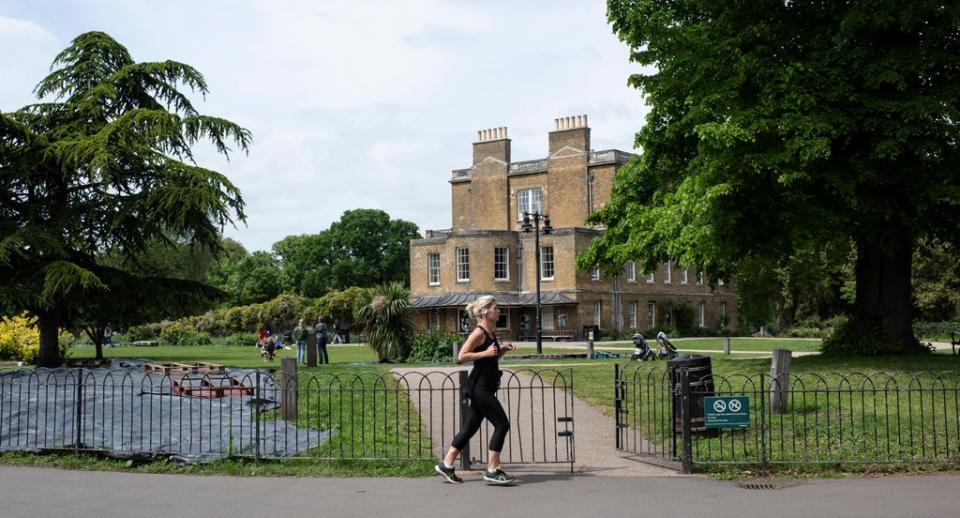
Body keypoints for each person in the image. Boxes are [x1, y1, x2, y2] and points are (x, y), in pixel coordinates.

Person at [435, 295, 518, 485]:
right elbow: (461, 355)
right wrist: (485, 353)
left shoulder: (490, 333)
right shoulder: (479, 332)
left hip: (486, 385)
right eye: (496, 308)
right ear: (485, 311)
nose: (499, 311)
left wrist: (502, 350)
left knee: (470, 428)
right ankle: (492, 469)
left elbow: (490, 357)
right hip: (480, 388)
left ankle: (447, 464)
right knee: (502, 424)